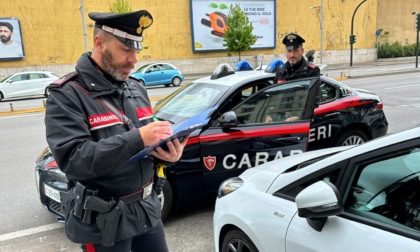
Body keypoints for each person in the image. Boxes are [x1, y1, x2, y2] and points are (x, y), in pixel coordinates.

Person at [45, 10, 187, 252]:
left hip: (146, 211)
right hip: (103, 222)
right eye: (126, 50)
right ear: (99, 44)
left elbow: (145, 148)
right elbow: (75, 160)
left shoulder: (135, 88)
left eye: (136, 51)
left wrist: (167, 155)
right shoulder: (66, 94)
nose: (134, 60)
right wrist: (138, 138)